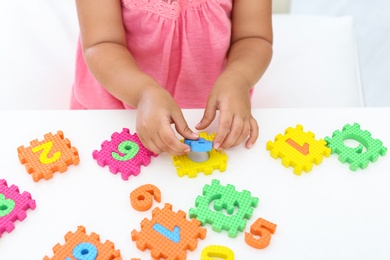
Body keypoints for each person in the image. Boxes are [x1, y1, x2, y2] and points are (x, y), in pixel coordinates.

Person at [73, 0, 273, 155]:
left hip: (214, 115)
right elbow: (101, 43)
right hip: (116, 107)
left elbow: (254, 37)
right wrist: (143, 93)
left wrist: (238, 79)